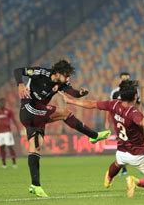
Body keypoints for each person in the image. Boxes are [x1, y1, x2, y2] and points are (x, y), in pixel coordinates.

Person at [61, 80, 144, 198]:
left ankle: (109, 176)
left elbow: (92, 104)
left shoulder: (114, 104)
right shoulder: (133, 112)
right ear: (135, 96)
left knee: (118, 163)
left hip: (122, 152)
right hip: (139, 155)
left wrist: (70, 101)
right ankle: (136, 181)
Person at [13, 59, 111, 197]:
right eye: (66, 75)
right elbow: (18, 70)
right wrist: (20, 84)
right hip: (29, 109)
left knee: (36, 147)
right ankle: (93, 136)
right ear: (58, 73)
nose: (68, 78)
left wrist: (81, 93)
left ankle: (35, 185)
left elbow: (74, 93)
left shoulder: (62, 83)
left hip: (37, 115)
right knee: (64, 113)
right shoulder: (41, 72)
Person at [105, 72, 135, 176]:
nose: (125, 81)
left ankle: (141, 164)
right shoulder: (115, 93)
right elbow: (110, 107)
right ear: (120, 80)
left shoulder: (135, 91)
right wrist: (107, 121)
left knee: (136, 141)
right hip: (119, 121)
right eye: (123, 79)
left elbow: (139, 105)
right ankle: (124, 169)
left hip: (133, 119)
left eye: (127, 79)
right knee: (122, 143)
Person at [0, 98, 21, 168]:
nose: (2, 104)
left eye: (3, 103)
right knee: (1, 147)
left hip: (7, 132)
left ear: (5, 103)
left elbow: (14, 120)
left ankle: (14, 163)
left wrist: (18, 130)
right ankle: (4, 164)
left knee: (10, 147)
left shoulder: (9, 111)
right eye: (0, 103)